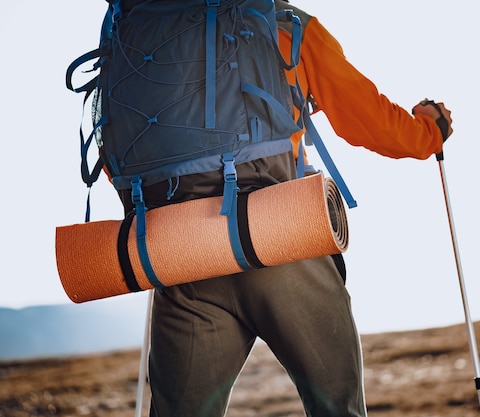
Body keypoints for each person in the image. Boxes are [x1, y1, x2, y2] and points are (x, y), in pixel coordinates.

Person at [122, 1, 453, 416]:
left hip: (184, 256)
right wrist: (429, 130)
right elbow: (372, 121)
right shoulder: (284, 23)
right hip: (278, 238)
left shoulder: (142, 31)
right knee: (337, 409)